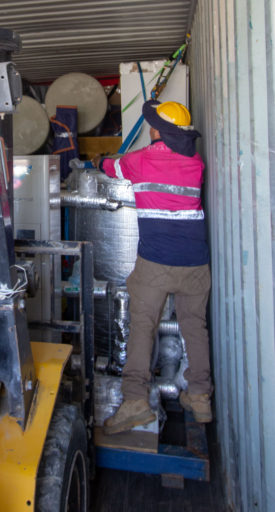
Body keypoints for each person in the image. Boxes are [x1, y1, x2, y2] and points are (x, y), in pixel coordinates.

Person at [93, 99, 212, 433]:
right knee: (194, 328)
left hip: (156, 262)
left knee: (142, 327)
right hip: (196, 263)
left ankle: (135, 402)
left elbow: (110, 168)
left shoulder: (140, 160)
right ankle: (201, 397)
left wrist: (96, 161)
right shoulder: (196, 161)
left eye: (152, 124)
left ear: (157, 130)